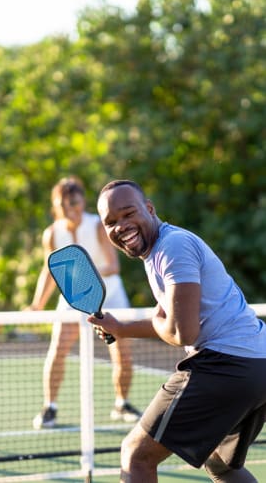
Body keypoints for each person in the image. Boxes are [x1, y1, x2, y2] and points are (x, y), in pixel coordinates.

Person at [91, 179, 266, 482]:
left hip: (226, 363)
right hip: (257, 364)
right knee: (219, 462)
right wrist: (120, 328)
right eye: (111, 222)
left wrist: (160, 321)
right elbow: (172, 323)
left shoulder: (172, 246)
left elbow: (182, 332)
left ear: (149, 208)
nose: (120, 226)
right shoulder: (159, 250)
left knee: (135, 455)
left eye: (128, 213)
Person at [29, 176, 141, 429]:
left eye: (75, 202)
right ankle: (50, 407)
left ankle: (121, 403)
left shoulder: (98, 226)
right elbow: (49, 271)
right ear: (56, 206)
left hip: (110, 295)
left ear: (82, 201)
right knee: (58, 349)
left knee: (121, 351)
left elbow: (113, 266)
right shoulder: (52, 234)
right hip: (71, 300)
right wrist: (37, 304)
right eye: (64, 203)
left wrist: (85, 277)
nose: (71, 207)